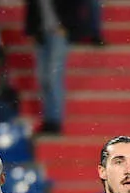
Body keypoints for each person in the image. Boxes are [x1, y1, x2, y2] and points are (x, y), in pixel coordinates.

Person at [24, 0, 88, 134]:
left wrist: (67, 28)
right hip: (41, 35)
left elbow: (74, 7)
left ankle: (55, 120)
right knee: (43, 78)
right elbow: (31, 8)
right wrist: (31, 31)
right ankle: (48, 119)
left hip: (58, 34)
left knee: (54, 77)